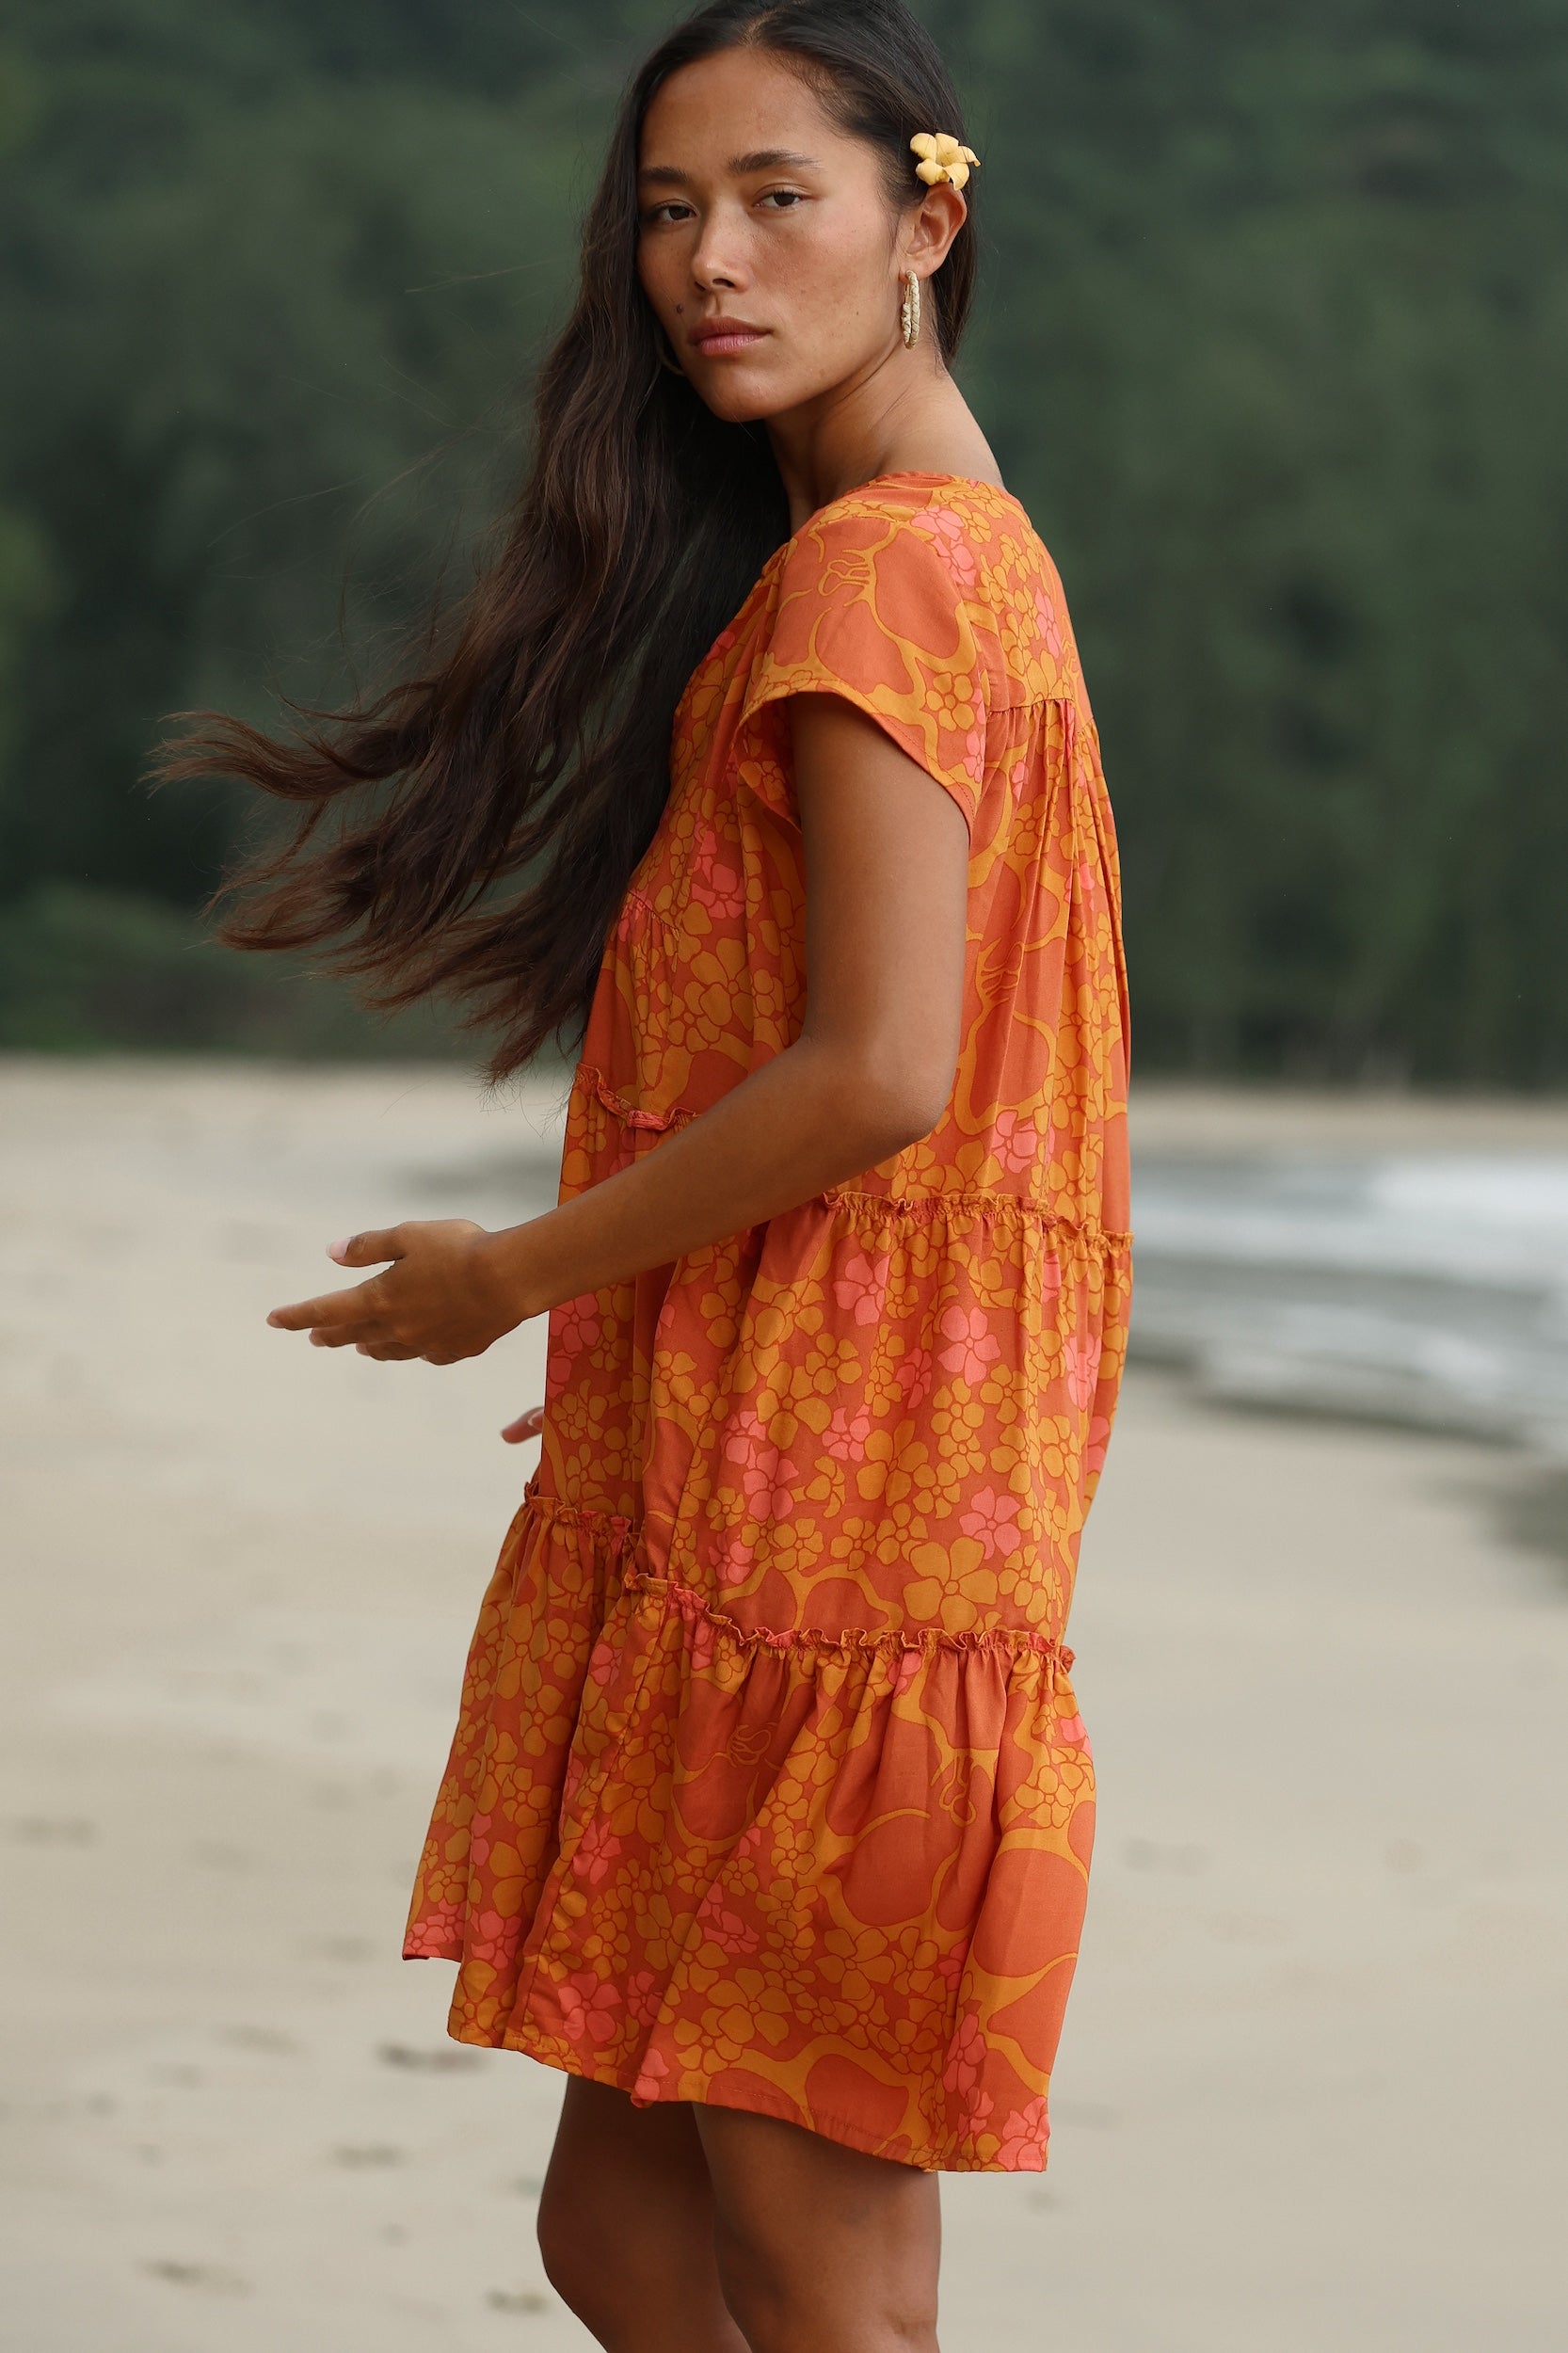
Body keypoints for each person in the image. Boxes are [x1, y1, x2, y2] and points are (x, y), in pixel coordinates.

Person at [165, 3, 1131, 2345]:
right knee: (618, 2234)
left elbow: (880, 1069)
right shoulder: (929, 557)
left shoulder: (888, 573)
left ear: (925, 220)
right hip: (803, 1469)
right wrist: (681, 1326)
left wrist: (514, 1271)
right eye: (669, 209)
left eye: (778, 199)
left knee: (822, 2281)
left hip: (843, 1546)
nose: (708, 259)